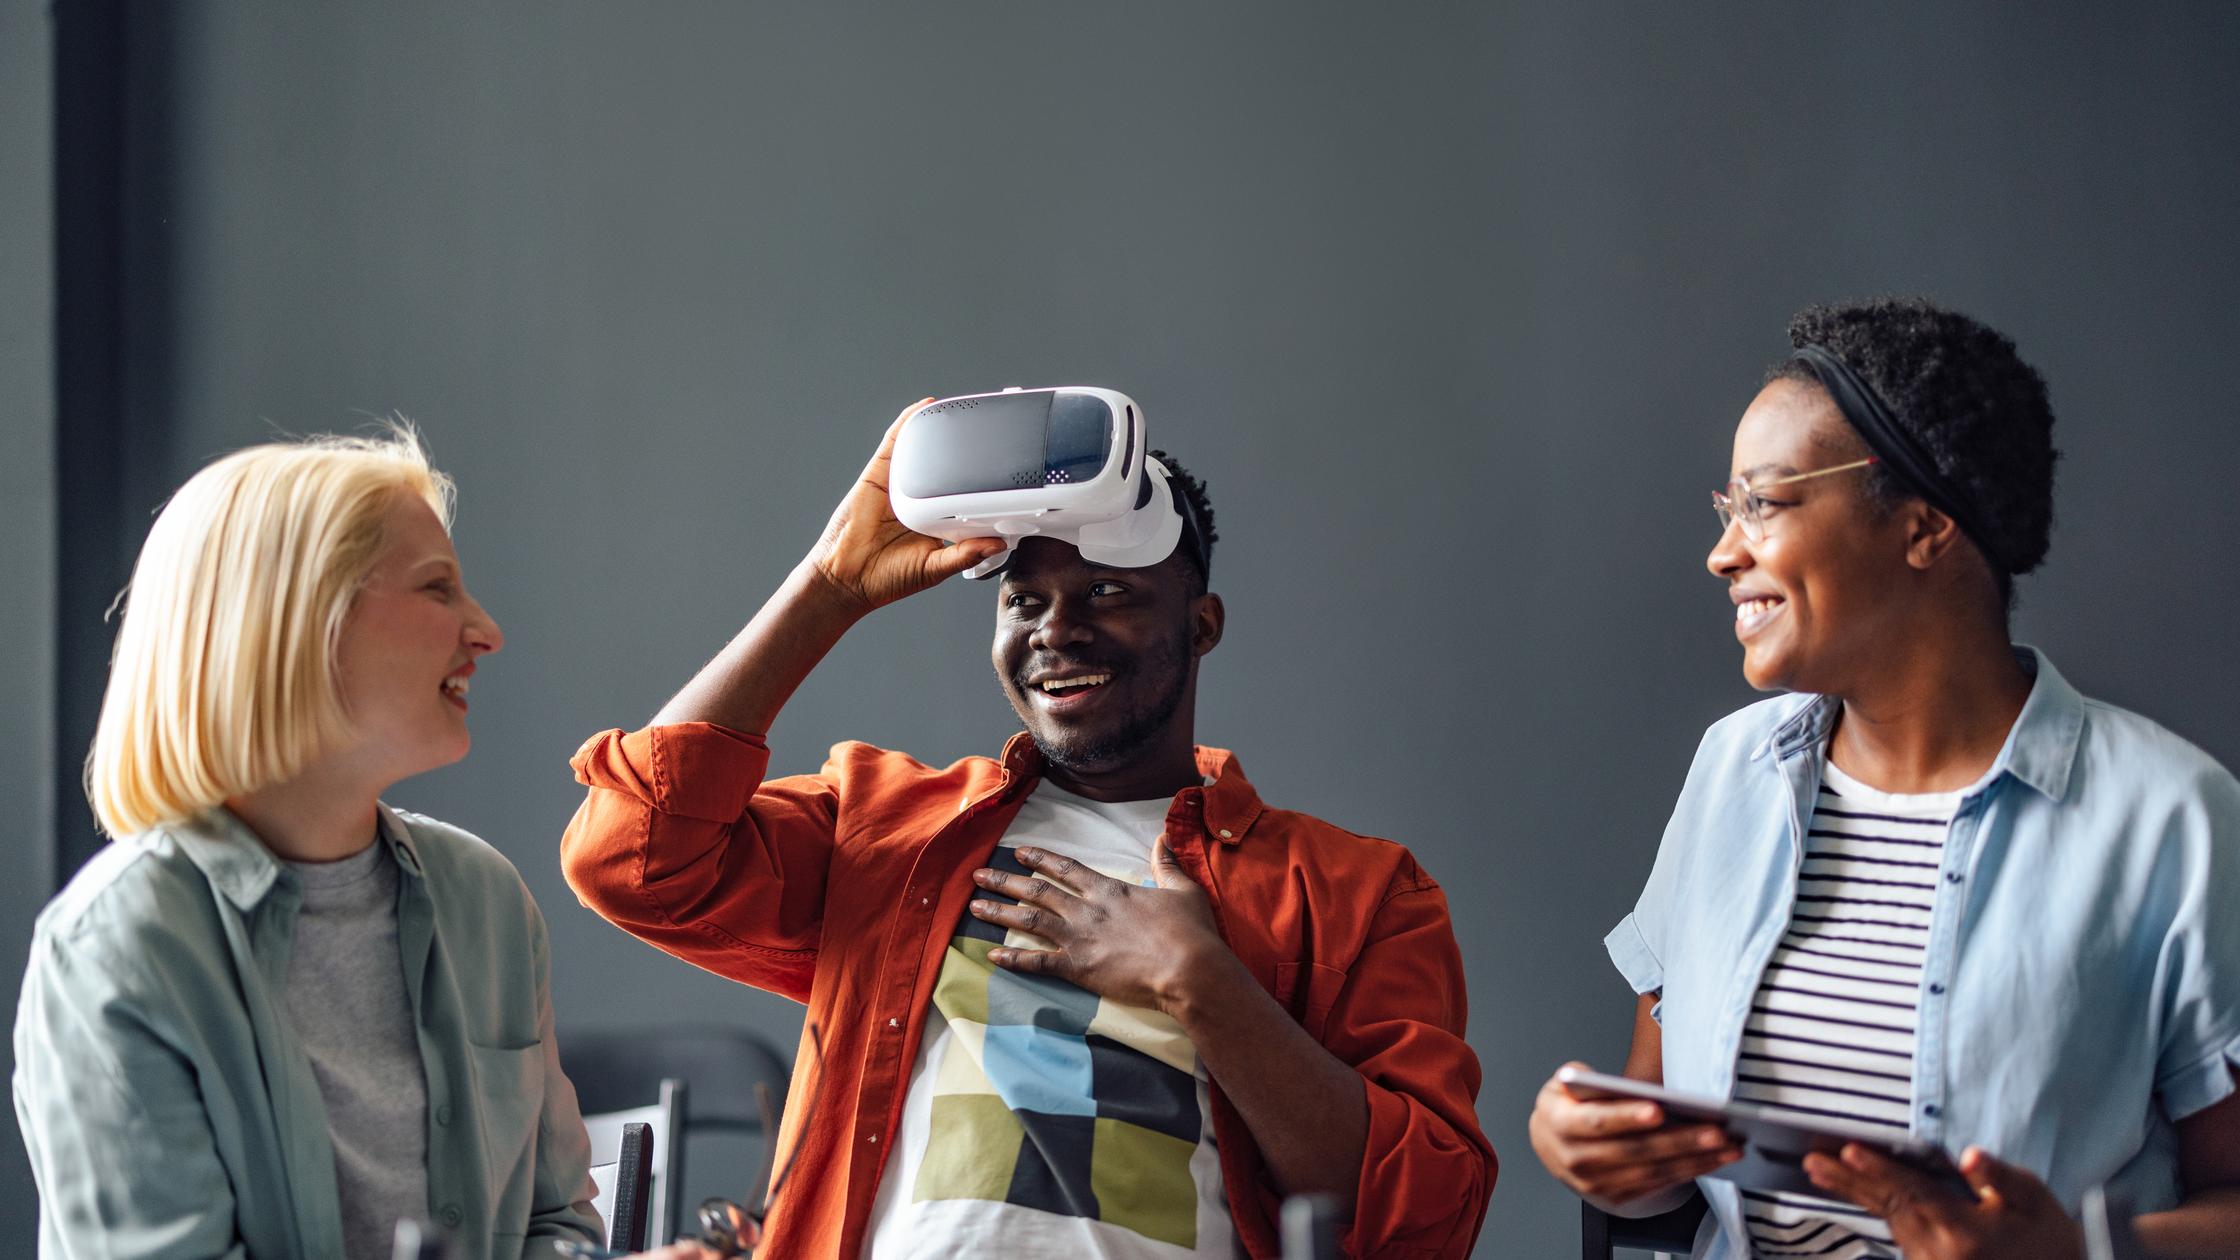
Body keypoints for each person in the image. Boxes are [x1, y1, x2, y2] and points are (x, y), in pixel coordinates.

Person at [559, 406, 1495, 1258]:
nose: (1056, 630)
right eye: (1024, 600)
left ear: (1202, 625)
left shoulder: (1359, 892)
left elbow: (1428, 1216)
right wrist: (830, 585)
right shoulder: (885, 825)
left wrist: (1200, 981)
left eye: (1108, 592)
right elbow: (630, 858)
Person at [1528, 298, 2240, 1258]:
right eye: (1727, 508)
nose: (1723, 553)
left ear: (1923, 526)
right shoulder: (1733, 772)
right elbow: (1665, 1158)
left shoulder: (2173, 823)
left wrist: (2076, 1254)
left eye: (1764, 503)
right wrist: (1599, 1155)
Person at [13, 430, 706, 1260]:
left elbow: (552, 1225)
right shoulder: (119, 950)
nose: (487, 631)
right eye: (437, 587)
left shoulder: (485, 903)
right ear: (295, 625)